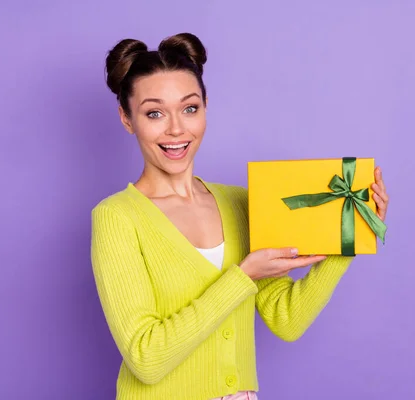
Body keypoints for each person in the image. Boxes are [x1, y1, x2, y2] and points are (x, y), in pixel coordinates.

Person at [90, 32, 390, 400]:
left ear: (205, 106)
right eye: (154, 113)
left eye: (190, 108)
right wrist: (243, 275)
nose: (176, 129)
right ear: (126, 118)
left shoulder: (240, 202)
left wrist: (350, 230)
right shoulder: (117, 217)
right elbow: (146, 357)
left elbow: (287, 320)